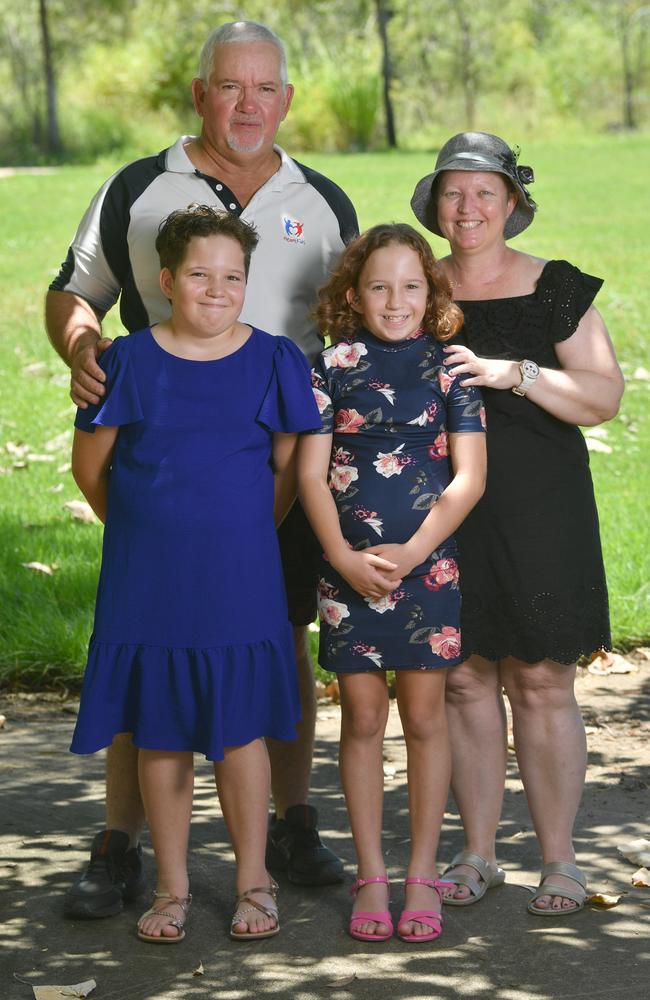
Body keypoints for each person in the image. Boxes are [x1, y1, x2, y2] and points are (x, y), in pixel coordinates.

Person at [46, 21, 358, 917]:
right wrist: (79, 346)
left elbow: (355, 313)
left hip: (277, 462)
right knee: (150, 659)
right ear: (201, 93)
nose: (248, 104)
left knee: (279, 641)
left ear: (287, 100)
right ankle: (122, 841)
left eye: (265, 89)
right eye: (231, 87)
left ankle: (290, 824)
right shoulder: (139, 189)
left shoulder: (321, 198)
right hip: (164, 461)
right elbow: (76, 288)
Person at [70, 205, 323, 942]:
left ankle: (254, 881)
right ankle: (172, 889)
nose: (217, 289)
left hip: (240, 575)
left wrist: (239, 535)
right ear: (167, 280)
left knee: (240, 733)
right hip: (147, 575)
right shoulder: (128, 362)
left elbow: (284, 472)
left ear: (249, 281)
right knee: (161, 732)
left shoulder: (276, 359)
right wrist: (150, 530)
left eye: (233, 276)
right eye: (201, 275)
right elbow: (92, 471)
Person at [410, 132, 624, 915]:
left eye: (484, 193)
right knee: (464, 681)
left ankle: (561, 861)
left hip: (542, 508)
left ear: (512, 202)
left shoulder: (555, 288)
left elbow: (602, 398)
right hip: (441, 507)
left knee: (540, 679)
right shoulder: (413, 284)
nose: (467, 209)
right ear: (435, 202)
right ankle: (476, 854)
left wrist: (518, 374)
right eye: (453, 193)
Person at [298, 223, 487, 942]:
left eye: (411, 285)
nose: (395, 299)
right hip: (348, 571)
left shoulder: (450, 367)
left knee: (427, 720)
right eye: (379, 286)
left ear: (432, 293)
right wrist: (343, 557)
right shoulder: (331, 365)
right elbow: (311, 475)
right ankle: (372, 873)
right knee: (363, 721)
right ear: (353, 294)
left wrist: (412, 554)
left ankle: (421, 874)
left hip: (427, 569)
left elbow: (469, 478)